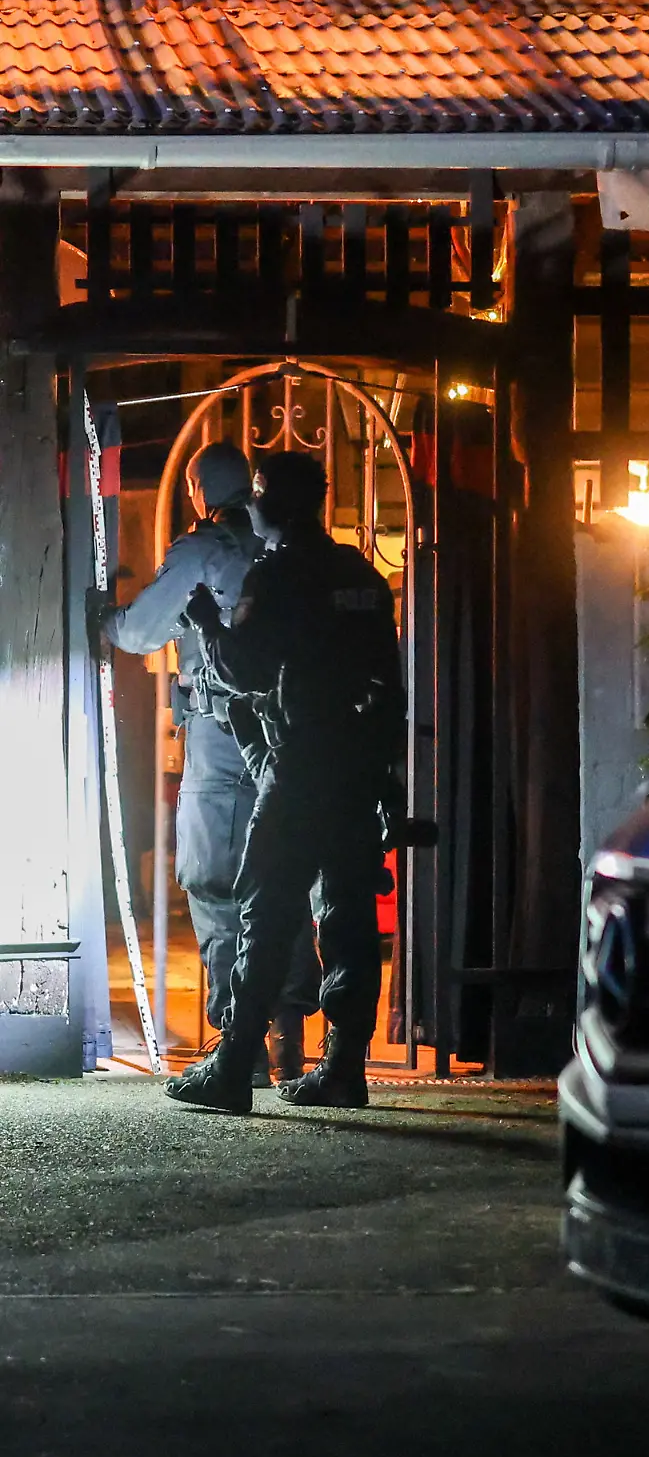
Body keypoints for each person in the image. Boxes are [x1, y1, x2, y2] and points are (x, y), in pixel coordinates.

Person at [163, 450, 404, 1114]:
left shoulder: (278, 575)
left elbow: (242, 668)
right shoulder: (359, 575)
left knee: (265, 911)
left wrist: (206, 622)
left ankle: (234, 1062)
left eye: (260, 493)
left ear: (281, 503)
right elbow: (389, 686)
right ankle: (344, 1068)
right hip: (355, 768)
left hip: (298, 766)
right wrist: (387, 779)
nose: (252, 504)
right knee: (348, 916)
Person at [98, 441, 320, 1086]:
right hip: (292, 733)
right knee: (285, 877)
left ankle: (237, 1043)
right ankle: (288, 1036)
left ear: (197, 490)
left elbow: (140, 631)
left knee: (214, 881)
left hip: (222, 732)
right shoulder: (290, 551)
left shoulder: (203, 550)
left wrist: (104, 618)